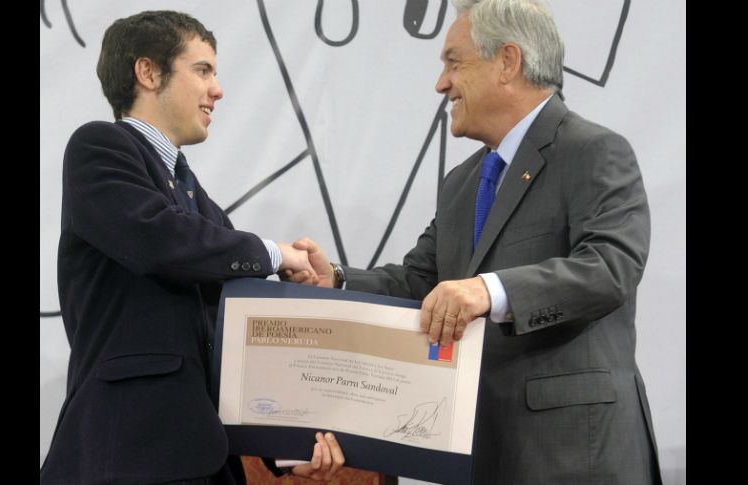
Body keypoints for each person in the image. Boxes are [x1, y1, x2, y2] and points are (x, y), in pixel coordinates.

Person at [289, 0, 662, 483]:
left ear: (508, 62)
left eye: (453, 62)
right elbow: (419, 281)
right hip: (483, 449)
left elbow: (611, 267)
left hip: (575, 454)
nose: (441, 83)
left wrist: (487, 290)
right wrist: (336, 280)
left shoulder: (593, 151)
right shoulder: (463, 181)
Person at [40, 10, 344, 484]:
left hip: (203, 460)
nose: (217, 89)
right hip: (126, 456)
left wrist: (283, 451)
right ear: (148, 72)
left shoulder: (199, 203)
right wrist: (275, 254)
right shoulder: (99, 147)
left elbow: (230, 341)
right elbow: (158, 240)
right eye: (202, 70)